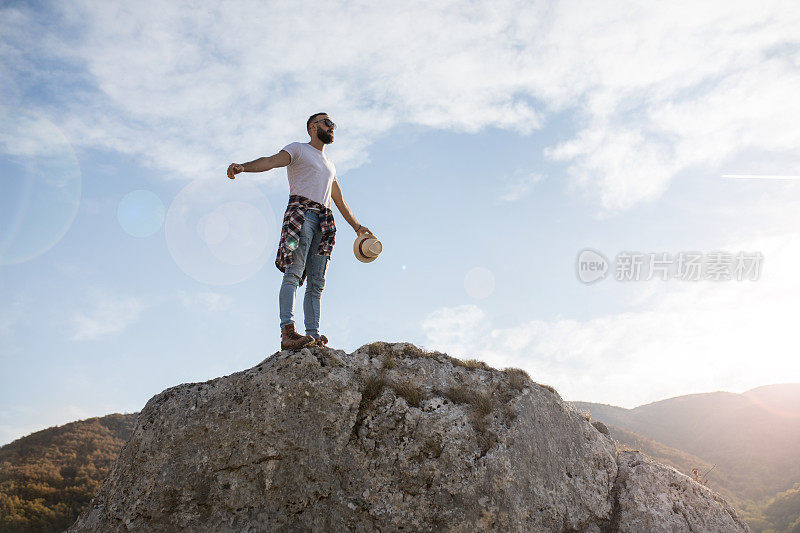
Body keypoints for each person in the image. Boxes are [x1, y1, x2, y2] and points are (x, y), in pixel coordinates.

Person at [227, 113, 373, 350]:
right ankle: (288, 332)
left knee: (317, 282)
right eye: (328, 123)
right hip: (301, 215)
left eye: (333, 124)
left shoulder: (330, 165)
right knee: (294, 273)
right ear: (313, 127)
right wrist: (243, 167)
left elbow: (339, 199)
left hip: (324, 222)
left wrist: (357, 227)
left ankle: (313, 336)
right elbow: (270, 161)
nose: (333, 127)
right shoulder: (298, 149)